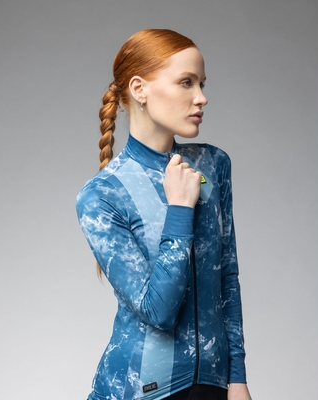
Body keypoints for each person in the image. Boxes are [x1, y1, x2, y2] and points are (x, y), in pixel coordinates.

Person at [76, 29, 252, 400]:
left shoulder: (213, 165)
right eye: (186, 83)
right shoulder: (102, 195)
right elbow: (158, 311)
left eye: (201, 83)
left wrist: (237, 377)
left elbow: (227, 277)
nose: (201, 97)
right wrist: (180, 209)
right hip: (140, 389)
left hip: (214, 383)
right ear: (139, 89)